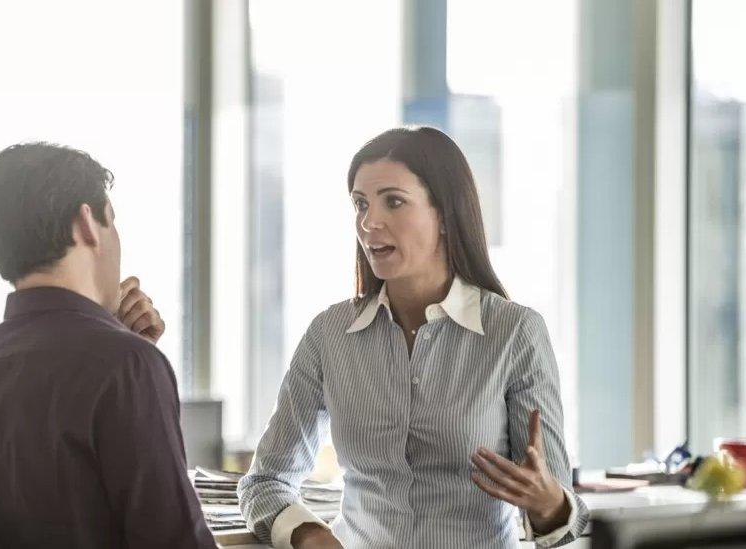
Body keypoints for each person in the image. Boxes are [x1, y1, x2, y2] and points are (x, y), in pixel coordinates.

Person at [238, 127, 589, 548]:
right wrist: (309, 534)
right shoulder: (328, 336)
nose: (369, 222)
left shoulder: (514, 333)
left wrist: (549, 505)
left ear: (444, 214)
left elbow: (563, 522)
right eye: (360, 204)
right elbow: (264, 481)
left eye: (394, 202)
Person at [0, 142, 217, 549]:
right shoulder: (126, 366)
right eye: (112, 222)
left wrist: (120, 343)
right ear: (87, 222)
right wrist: (134, 360)